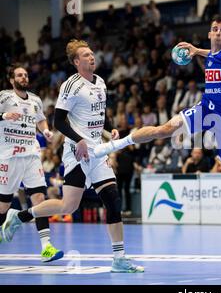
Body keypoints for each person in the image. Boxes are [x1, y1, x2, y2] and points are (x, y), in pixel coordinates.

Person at [94, 16, 221, 222]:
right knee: (164, 129)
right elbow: (211, 53)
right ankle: (116, 144)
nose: (219, 32)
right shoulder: (211, 54)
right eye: (215, 29)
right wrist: (196, 50)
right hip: (205, 109)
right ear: (210, 33)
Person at [2, 40, 144, 273]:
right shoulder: (71, 86)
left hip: (97, 151)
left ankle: (119, 258)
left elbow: (101, 114)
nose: (92, 57)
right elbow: (58, 121)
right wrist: (79, 140)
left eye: (92, 54)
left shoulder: (100, 82)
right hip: (77, 152)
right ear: (77, 62)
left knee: (112, 200)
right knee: (68, 206)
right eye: (86, 55)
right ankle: (20, 216)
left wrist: (110, 130)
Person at [0, 65, 63, 262]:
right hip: (9, 156)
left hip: (31, 154)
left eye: (26, 75)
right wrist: (4, 116)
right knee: (3, 206)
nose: (24, 77)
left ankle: (46, 248)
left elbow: (41, 120)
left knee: (39, 199)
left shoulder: (35, 99)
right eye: (19, 75)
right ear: (12, 80)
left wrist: (45, 131)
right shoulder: (4, 97)